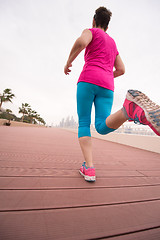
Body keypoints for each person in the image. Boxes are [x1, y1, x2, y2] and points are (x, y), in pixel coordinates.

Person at [64, 6, 160, 182]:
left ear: (94, 21)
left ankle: (89, 167)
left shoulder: (90, 31)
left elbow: (81, 42)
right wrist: (108, 74)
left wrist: (68, 62)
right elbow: (122, 69)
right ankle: (128, 111)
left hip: (87, 80)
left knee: (84, 122)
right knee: (101, 126)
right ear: (107, 27)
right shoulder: (113, 42)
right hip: (107, 85)